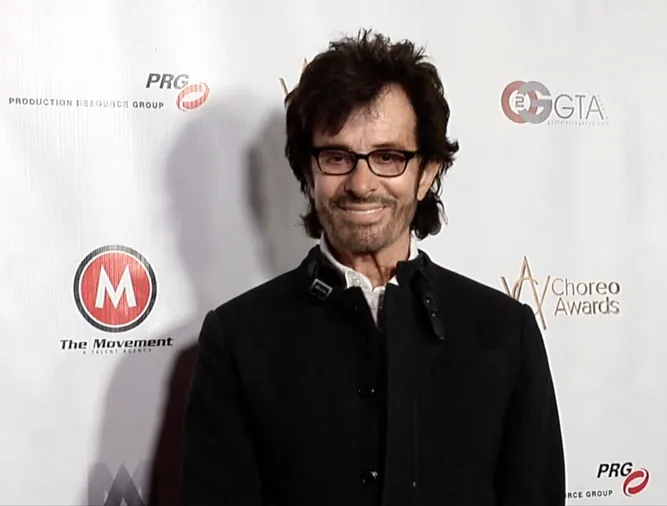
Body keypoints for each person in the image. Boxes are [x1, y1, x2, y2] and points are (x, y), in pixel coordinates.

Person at [180, 28, 566, 506]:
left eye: (388, 157)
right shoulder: (238, 338)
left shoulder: (505, 332)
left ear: (426, 173)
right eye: (337, 157)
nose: (361, 184)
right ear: (308, 173)